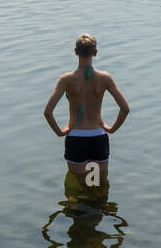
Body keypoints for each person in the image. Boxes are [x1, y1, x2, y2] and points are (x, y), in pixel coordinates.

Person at [43, 33, 129, 181]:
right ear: (95, 53)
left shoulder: (66, 80)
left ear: (76, 51)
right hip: (98, 136)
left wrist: (59, 132)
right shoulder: (105, 78)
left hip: (76, 137)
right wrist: (112, 129)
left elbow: (48, 112)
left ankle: (80, 203)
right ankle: (97, 202)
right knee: (97, 183)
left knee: (78, 185)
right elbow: (125, 108)